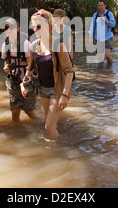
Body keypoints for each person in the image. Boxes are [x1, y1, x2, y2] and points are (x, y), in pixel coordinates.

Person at [24, 9, 74, 140]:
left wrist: (64, 94)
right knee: (49, 123)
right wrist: (23, 83)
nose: (35, 30)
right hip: (43, 89)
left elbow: (69, 71)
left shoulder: (59, 45)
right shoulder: (34, 45)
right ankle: (56, 145)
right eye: (33, 27)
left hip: (56, 90)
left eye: (38, 26)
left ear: (49, 26)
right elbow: (30, 68)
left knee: (48, 126)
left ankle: (57, 152)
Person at [1, 17, 37, 122]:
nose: (8, 30)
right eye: (6, 28)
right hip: (13, 79)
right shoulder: (5, 44)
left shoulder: (25, 43)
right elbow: (6, 61)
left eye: (11, 28)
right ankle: (16, 132)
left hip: (26, 79)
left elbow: (31, 64)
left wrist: (25, 82)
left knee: (28, 110)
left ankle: (40, 125)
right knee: (15, 109)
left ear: (17, 29)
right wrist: (6, 67)